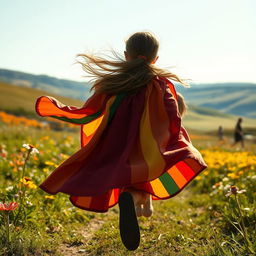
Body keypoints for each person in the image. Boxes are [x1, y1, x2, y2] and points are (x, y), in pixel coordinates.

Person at [35, 32, 207, 251]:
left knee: (132, 180)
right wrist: (176, 141)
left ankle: (133, 200)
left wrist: (57, 109)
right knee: (147, 176)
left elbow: (89, 112)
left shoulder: (113, 84)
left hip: (117, 146)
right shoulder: (160, 85)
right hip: (146, 149)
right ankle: (136, 201)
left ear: (126, 56)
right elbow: (172, 117)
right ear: (155, 59)